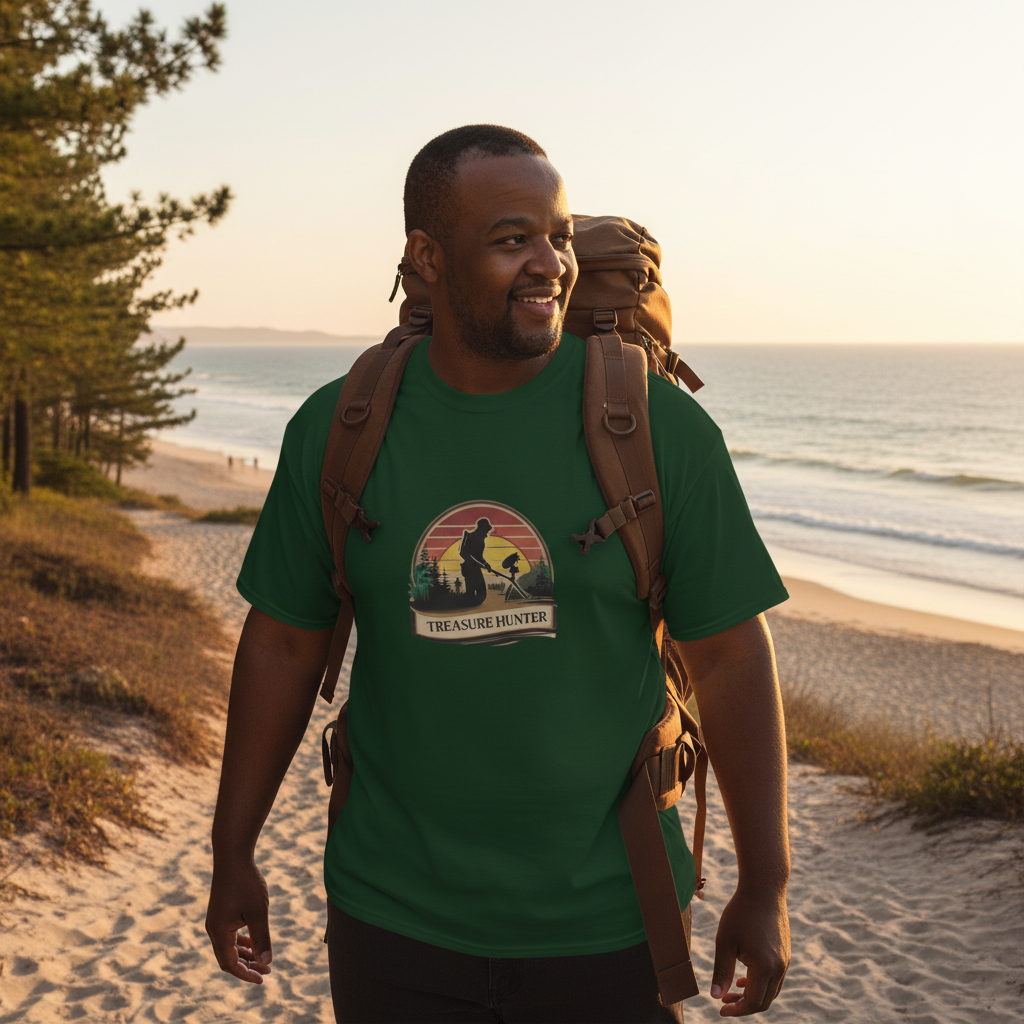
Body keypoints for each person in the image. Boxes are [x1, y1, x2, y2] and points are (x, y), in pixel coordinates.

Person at [205, 124, 791, 1023]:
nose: (550, 262)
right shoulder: (341, 428)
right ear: (427, 260)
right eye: (514, 239)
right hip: (391, 915)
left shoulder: (658, 429)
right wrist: (232, 848)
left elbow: (731, 659)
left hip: (610, 919)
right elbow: (285, 644)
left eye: (558, 235)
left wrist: (766, 883)